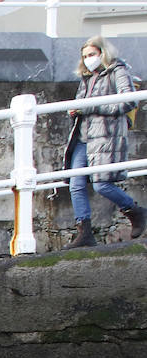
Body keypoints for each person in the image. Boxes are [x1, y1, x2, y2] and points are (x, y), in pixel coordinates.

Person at [63, 36, 146, 248]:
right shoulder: (87, 77)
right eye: (85, 56)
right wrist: (75, 110)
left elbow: (128, 101)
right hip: (82, 137)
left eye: (92, 54)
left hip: (105, 137)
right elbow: (82, 105)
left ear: (103, 53)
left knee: (101, 185)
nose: (88, 59)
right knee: (76, 184)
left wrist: (90, 107)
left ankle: (135, 212)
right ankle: (84, 233)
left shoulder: (118, 70)